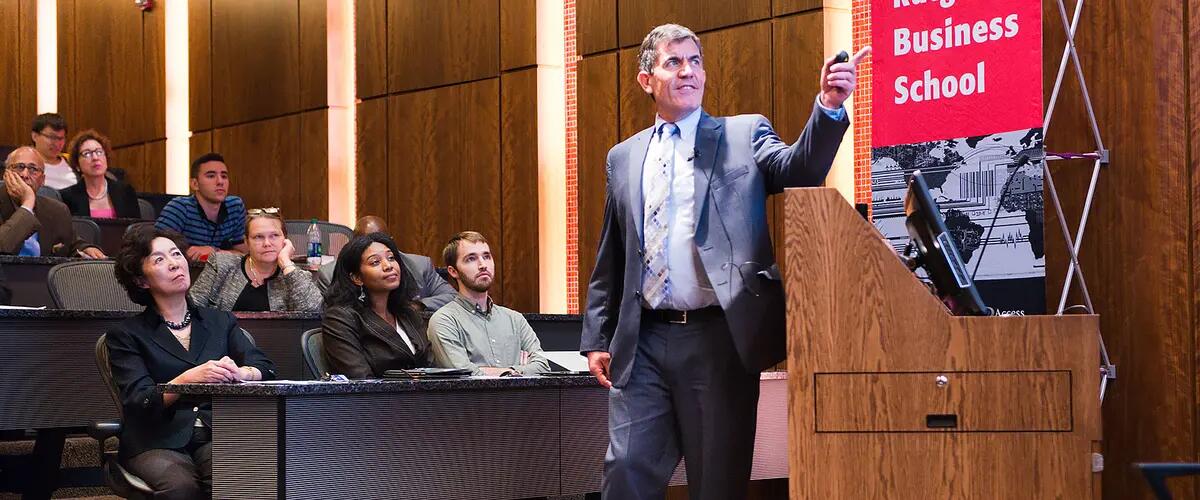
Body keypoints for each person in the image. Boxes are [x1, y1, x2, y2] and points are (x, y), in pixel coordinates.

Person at [581, 24, 867, 499]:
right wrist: (595, 336)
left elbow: (801, 169)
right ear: (646, 80)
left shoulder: (742, 133)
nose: (688, 71)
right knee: (626, 469)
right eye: (673, 62)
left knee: (717, 479)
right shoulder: (623, 157)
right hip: (644, 338)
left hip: (719, 337)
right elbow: (610, 251)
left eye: (695, 61)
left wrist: (830, 108)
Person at [106, 225, 276, 498]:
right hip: (155, 439)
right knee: (181, 487)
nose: (174, 264)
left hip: (215, 431)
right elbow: (138, 400)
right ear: (141, 280)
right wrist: (187, 380)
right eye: (159, 259)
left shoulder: (220, 321)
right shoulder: (126, 334)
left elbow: (265, 368)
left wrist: (243, 373)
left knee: (241, 475)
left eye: (176, 254)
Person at [427, 231, 549, 376]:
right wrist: (519, 371)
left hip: (521, 399)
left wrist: (505, 372)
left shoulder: (515, 319)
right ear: (453, 271)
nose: (483, 265)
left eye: (487, 256)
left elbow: (542, 367)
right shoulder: (444, 321)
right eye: (471, 259)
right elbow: (464, 374)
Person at [321, 232, 431, 378]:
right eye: (375, 262)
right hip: (375, 399)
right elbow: (360, 379)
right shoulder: (340, 318)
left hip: (425, 398)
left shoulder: (408, 313)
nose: (388, 266)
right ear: (357, 278)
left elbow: (431, 368)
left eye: (391, 258)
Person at [189, 208, 322, 312]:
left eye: (274, 236)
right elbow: (191, 307)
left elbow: (314, 311)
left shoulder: (295, 276)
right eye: (258, 237)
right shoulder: (221, 265)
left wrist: (286, 263)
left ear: (285, 239)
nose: (267, 243)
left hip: (278, 345)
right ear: (247, 242)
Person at [328, 214, 457, 310]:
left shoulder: (420, 265)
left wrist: (417, 305)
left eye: (381, 241)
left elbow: (452, 296)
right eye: (367, 242)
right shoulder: (330, 273)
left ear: (391, 241)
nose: (388, 266)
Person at [0, 147, 105, 258]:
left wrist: (86, 249)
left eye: (33, 169)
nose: (25, 174)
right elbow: (3, 245)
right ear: (5, 174)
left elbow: (71, 244)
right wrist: (27, 204)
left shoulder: (57, 210)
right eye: (19, 167)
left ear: (42, 180)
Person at [155, 153, 248, 262]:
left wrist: (214, 252)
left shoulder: (235, 206)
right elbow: (154, 248)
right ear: (195, 184)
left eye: (224, 176)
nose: (220, 182)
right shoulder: (180, 208)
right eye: (211, 176)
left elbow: (243, 253)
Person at [59, 130, 141, 219]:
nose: (95, 158)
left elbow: (136, 230)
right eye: (87, 153)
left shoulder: (125, 192)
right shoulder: (67, 198)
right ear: (77, 165)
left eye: (99, 152)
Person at [30, 113, 75, 190]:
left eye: (61, 138)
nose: (57, 144)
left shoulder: (72, 163)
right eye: (51, 137)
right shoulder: (24, 165)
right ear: (35, 136)